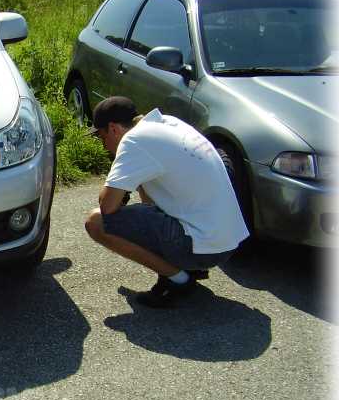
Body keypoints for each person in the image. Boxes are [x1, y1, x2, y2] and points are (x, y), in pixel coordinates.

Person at [84, 96, 249, 308]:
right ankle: (185, 267)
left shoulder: (133, 141)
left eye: (102, 137)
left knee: (96, 222)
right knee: (143, 211)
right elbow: (150, 204)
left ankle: (179, 280)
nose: (104, 146)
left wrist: (118, 185)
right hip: (225, 241)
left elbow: (107, 207)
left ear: (113, 129)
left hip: (204, 247)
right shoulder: (168, 123)